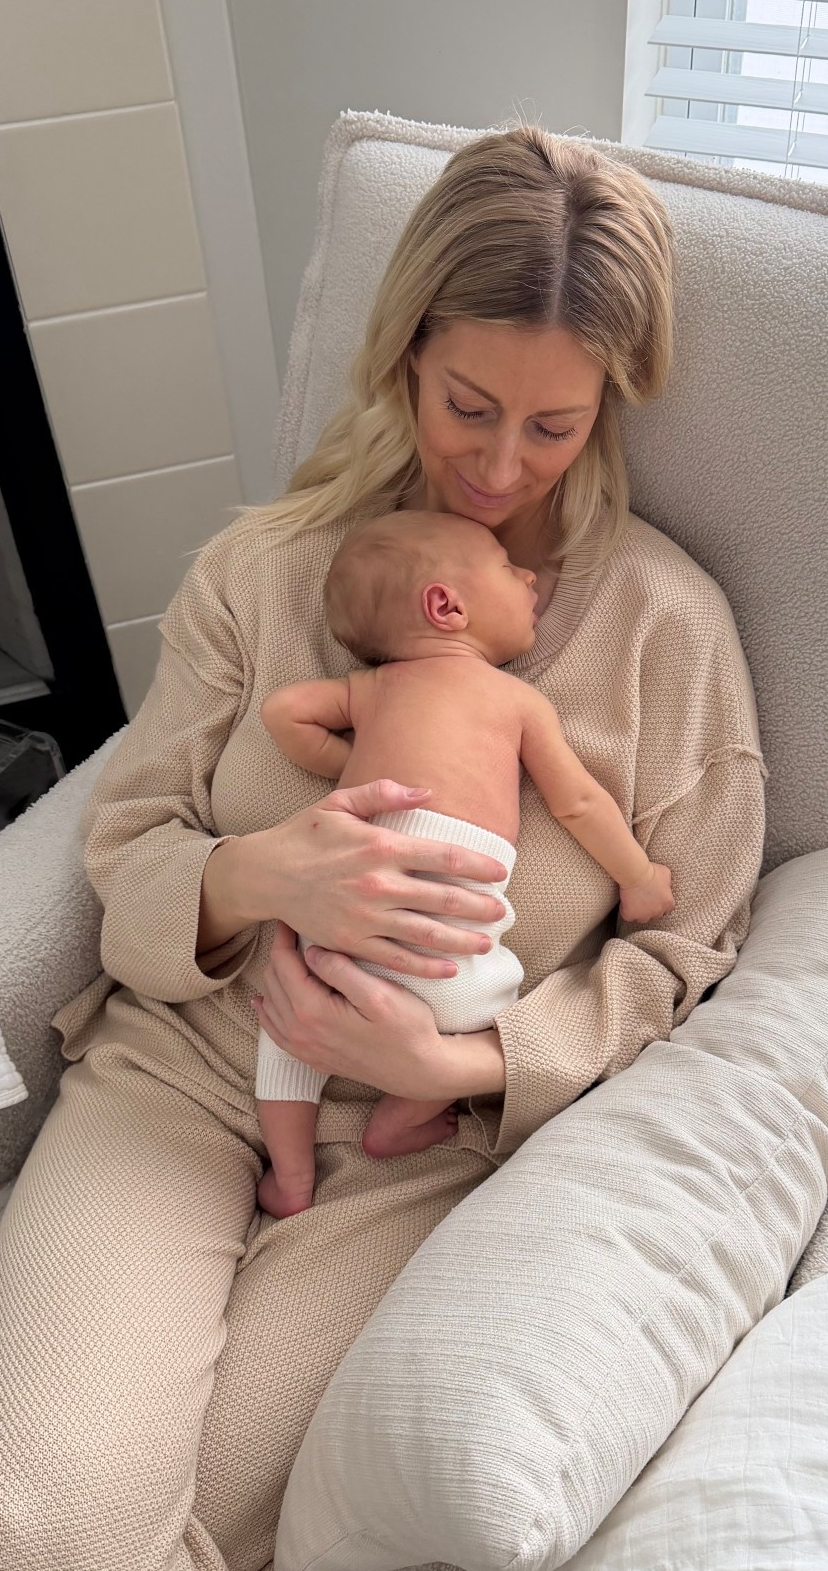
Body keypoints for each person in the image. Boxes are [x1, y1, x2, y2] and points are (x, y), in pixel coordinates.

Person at [0, 123, 768, 1571]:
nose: (500, 464)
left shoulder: (666, 630)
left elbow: (689, 951)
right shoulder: (268, 570)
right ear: (405, 357)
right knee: (22, 1519)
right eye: (465, 405)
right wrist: (256, 873)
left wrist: (465, 1059)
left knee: (62, 1563)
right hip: (180, 1078)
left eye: (553, 422)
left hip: (414, 1152)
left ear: (610, 406)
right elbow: (127, 836)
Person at [253, 506, 676, 1215]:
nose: (528, 574)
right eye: (505, 567)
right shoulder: (514, 699)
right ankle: (403, 1115)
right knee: (486, 1006)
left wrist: (352, 768)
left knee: (287, 1037)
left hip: (343, 920)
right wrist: (638, 877)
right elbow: (577, 803)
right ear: (446, 606)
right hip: (443, 949)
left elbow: (284, 712)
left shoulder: (375, 689)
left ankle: (290, 1176)